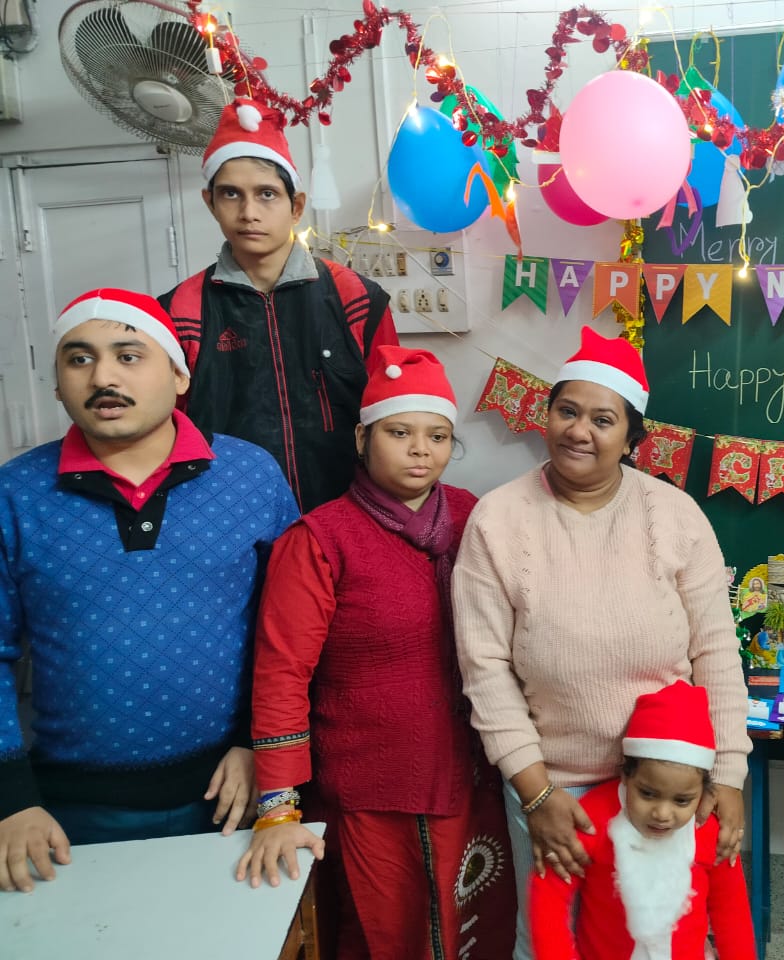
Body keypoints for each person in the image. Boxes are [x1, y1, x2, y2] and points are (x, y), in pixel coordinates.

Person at [453, 325, 751, 960]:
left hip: (667, 789)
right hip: (554, 787)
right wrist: (537, 794)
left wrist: (727, 775)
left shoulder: (675, 516)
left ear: (632, 438)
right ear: (546, 415)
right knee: (550, 943)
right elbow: (485, 670)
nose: (579, 431)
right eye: (567, 411)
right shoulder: (497, 520)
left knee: (658, 939)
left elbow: (716, 654)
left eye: (603, 419)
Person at [0, 289, 297, 893]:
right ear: (57, 384)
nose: (102, 377)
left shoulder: (250, 475)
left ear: (179, 376)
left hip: (233, 796)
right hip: (65, 814)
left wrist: (259, 745)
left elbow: (293, 633)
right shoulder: (16, 493)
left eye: (128, 355)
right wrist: (12, 799)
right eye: (79, 359)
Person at [237, 346, 515, 960]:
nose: (421, 450)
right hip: (374, 786)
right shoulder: (320, 539)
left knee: (481, 930)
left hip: (476, 775)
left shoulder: (476, 516)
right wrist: (278, 805)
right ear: (363, 438)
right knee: (389, 938)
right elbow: (281, 673)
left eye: (437, 436)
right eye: (399, 433)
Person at [158, 98, 399, 513]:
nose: (248, 212)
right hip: (227, 517)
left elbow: (395, 412)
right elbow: (165, 427)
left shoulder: (356, 297)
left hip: (347, 514)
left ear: (296, 206)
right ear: (210, 202)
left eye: (266, 194)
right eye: (231, 194)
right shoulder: (181, 310)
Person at [529, 680, 755, 960]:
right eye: (647, 794)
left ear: (704, 792)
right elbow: (549, 894)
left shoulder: (707, 828)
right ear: (626, 775)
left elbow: (732, 911)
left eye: (682, 801)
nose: (662, 814)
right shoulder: (594, 817)